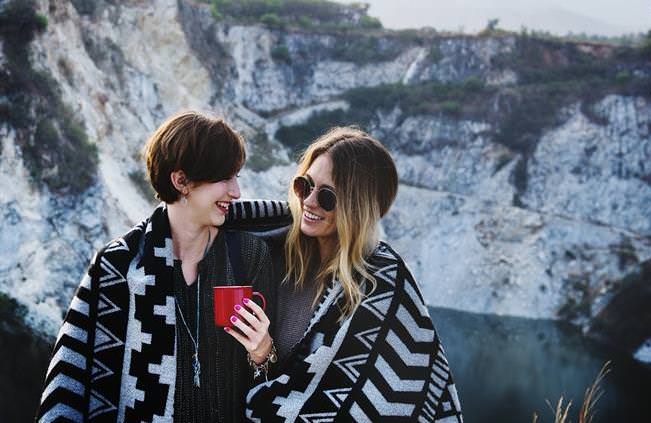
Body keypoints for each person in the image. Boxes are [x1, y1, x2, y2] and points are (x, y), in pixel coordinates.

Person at [36, 111, 278, 422]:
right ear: (181, 181)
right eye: (223, 178)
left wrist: (263, 353)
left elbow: (273, 382)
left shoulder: (247, 254)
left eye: (237, 177)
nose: (236, 192)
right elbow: (72, 380)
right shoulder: (119, 266)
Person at [232, 127, 463, 421]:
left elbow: (408, 403)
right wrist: (262, 358)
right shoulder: (271, 253)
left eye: (327, 196)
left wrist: (265, 354)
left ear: (358, 206)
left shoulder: (383, 285)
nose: (309, 202)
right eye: (305, 185)